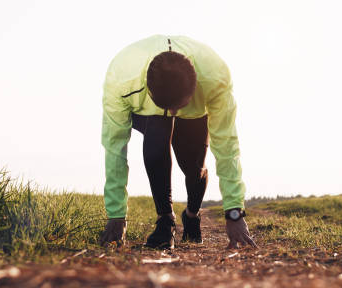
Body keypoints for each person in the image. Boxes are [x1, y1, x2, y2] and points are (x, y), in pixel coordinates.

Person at [99, 34, 256, 249]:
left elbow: (227, 146)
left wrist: (234, 212)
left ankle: (192, 214)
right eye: (167, 107)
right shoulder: (121, 78)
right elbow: (114, 146)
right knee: (157, 139)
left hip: (195, 112)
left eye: (177, 107)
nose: (172, 113)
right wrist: (116, 215)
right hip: (146, 109)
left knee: (194, 168)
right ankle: (165, 220)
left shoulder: (215, 77)